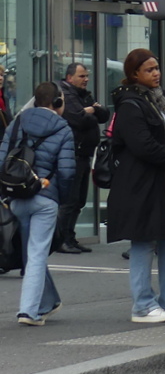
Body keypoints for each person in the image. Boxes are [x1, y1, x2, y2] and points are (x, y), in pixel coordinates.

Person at [106, 48, 165, 324]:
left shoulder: (159, 99)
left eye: (157, 67)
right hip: (141, 182)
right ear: (134, 74)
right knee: (144, 241)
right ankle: (143, 304)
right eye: (149, 70)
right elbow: (143, 146)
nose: (156, 73)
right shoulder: (129, 104)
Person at [0, 82, 75, 325]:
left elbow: (2, 159)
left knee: (31, 253)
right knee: (37, 255)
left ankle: (48, 302)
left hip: (18, 198)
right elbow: (66, 172)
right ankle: (28, 311)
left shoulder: (17, 122)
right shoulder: (63, 128)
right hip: (44, 198)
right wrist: (59, 197)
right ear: (57, 103)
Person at [55, 63, 109, 253]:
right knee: (69, 200)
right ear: (70, 78)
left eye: (87, 75)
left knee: (79, 200)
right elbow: (78, 119)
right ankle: (61, 240)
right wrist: (90, 111)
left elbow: (103, 114)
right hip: (72, 154)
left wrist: (91, 110)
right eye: (81, 76)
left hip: (85, 154)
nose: (86, 79)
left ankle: (70, 237)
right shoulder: (66, 95)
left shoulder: (83, 95)